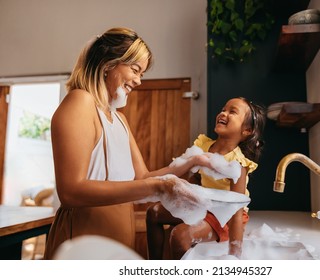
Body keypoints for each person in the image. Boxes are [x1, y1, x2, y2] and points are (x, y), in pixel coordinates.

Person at [43, 27, 212, 260]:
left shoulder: (120, 119)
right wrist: (158, 187)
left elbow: (141, 178)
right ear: (108, 63)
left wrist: (192, 162)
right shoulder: (80, 102)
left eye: (141, 73)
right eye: (135, 70)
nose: (139, 81)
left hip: (119, 236)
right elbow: (70, 191)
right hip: (83, 238)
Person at [146, 97, 266, 260]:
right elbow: (195, 179)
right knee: (153, 213)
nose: (223, 113)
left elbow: (236, 212)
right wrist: (183, 201)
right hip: (203, 205)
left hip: (225, 216)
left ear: (246, 130)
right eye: (223, 109)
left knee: (180, 236)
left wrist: (234, 256)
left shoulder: (237, 164)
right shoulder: (202, 146)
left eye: (232, 112)